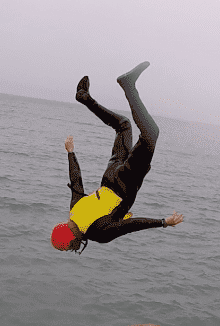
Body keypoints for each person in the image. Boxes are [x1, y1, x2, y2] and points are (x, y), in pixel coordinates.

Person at [50, 61, 184, 253]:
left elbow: (131, 225)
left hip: (125, 183)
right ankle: (84, 97)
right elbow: (76, 180)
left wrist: (163, 222)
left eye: (70, 246)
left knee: (150, 135)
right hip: (110, 175)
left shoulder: (99, 233)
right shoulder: (74, 210)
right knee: (123, 125)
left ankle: (128, 85)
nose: (73, 248)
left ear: (72, 241)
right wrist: (70, 152)